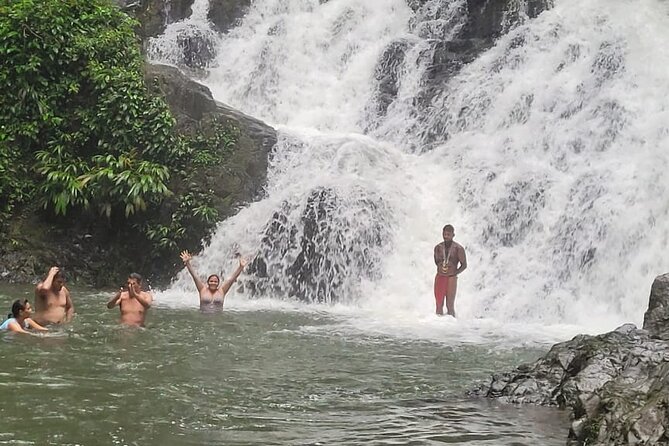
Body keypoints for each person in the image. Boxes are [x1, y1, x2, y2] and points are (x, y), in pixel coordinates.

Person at [180, 250, 248, 310]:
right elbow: (195, 276)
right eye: (211, 281)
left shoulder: (222, 291)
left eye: (215, 282)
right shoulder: (202, 289)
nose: (213, 283)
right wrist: (188, 263)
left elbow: (232, 279)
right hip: (203, 316)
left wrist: (241, 267)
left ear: (218, 283)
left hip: (218, 318)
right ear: (208, 282)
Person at [433, 224, 467, 317]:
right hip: (440, 276)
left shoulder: (458, 249)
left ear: (453, 235)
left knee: (450, 305)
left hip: (451, 278)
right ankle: (438, 325)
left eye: (448, 234)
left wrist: (454, 273)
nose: (446, 236)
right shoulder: (438, 248)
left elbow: (464, 265)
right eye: (444, 234)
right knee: (438, 305)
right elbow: (437, 262)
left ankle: (452, 327)